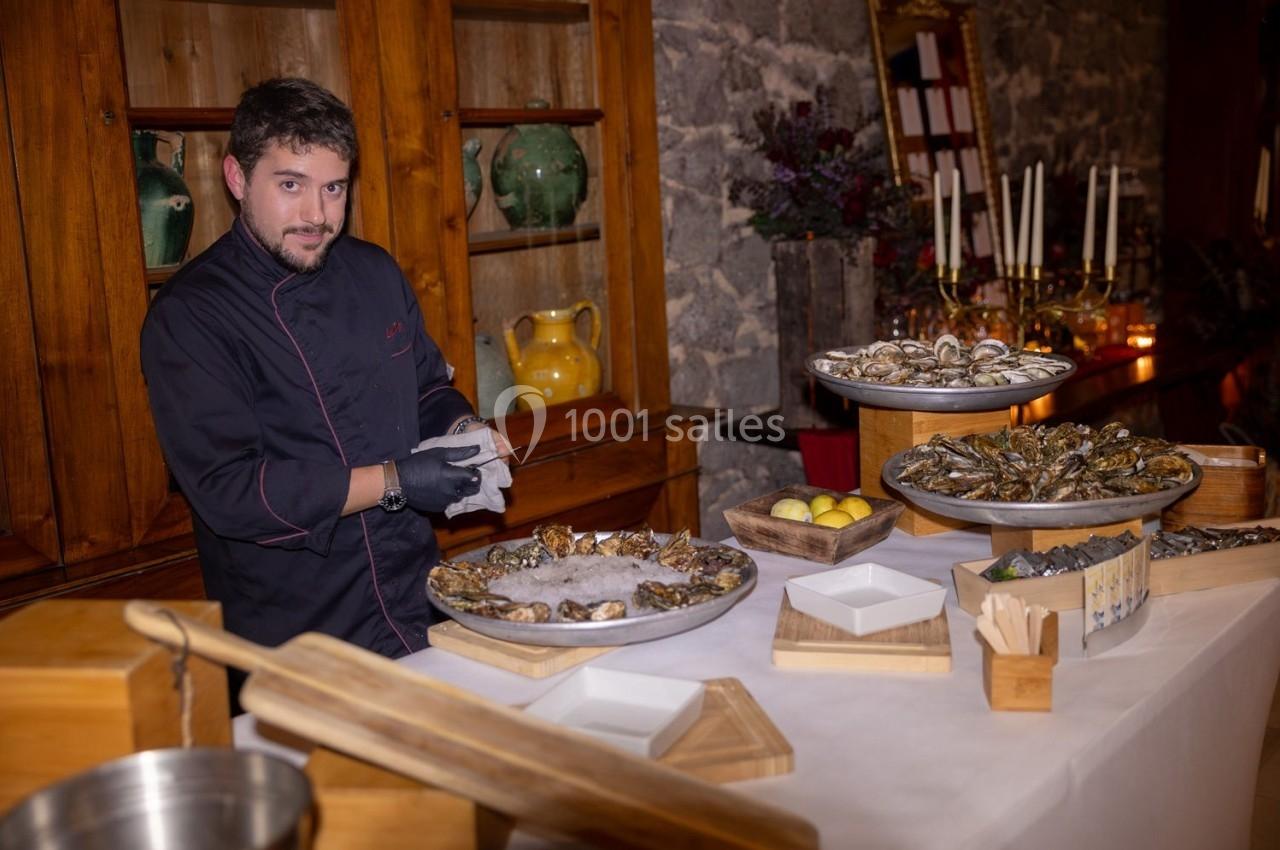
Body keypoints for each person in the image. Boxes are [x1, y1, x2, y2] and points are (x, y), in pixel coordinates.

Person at [140, 78, 498, 681]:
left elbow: (426, 386)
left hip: (422, 604)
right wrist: (396, 482)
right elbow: (231, 491)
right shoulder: (189, 315)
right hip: (299, 639)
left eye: (333, 189)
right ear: (236, 178)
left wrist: (465, 429)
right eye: (290, 186)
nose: (317, 215)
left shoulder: (374, 271)